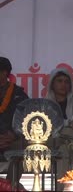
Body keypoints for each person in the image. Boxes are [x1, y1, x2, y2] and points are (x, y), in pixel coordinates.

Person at [0, 57, 28, 189]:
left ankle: (10, 186)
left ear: (4, 73)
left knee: (23, 147)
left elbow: (27, 119)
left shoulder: (18, 94)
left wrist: (14, 134)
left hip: (11, 139)